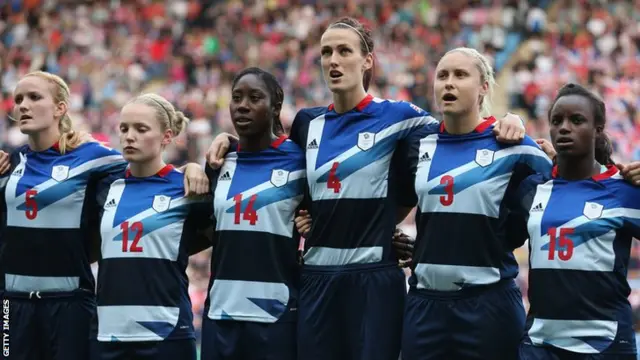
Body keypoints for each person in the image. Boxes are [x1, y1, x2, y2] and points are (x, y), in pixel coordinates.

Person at [205, 19, 527, 360]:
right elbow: (270, 157)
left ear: (367, 60)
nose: (333, 60)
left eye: (344, 51)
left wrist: (510, 121)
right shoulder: (306, 123)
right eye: (326, 52)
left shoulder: (402, 118)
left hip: (375, 279)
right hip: (317, 279)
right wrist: (227, 144)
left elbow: (459, 136)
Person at [0, 71, 206, 360]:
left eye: (34, 97)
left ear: (61, 107)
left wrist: (192, 168)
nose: (22, 105)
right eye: (18, 98)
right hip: (12, 307)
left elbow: (148, 172)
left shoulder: (96, 158)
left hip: (70, 303)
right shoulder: (9, 163)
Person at [512, 83, 640, 360]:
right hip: (539, 344)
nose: (564, 128)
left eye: (576, 120)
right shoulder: (532, 189)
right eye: (556, 121)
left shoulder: (626, 191)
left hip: (605, 345)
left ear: (598, 129)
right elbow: (492, 238)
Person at [91, 94, 213, 360]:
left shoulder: (187, 188)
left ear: (166, 136)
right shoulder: (104, 187)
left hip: (167, 332)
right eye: (124, 129)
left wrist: (192, 167)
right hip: (108, 333)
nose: (129, 136)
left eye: (141, 129)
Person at [200, 68, 305, 360]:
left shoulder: (300, 160)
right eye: (236, 98)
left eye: (255, 97)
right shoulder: (218, 163)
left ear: (275, 105)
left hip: (276, 316)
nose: (243, 105)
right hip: (221, 315)